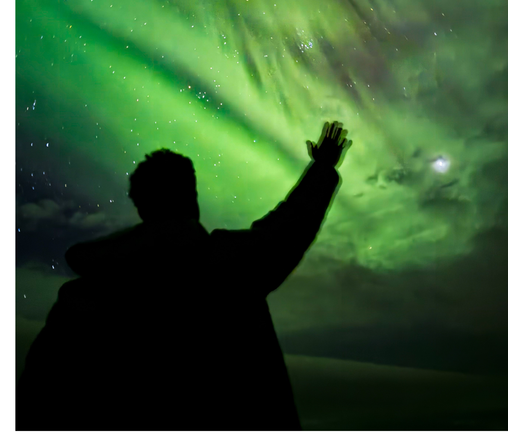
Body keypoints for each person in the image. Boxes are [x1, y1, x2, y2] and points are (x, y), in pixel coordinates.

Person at [16, 121, 352, 430]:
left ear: (141, 204)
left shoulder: (86, 297)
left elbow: (38, 400)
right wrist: (322, 168)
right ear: (188, 196)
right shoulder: (226, 266)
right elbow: (287, 228)